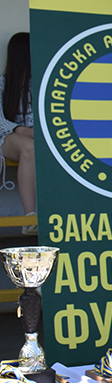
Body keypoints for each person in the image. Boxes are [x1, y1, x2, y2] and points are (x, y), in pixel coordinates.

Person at [1, 32, 35, 235]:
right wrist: (22, 130)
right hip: (8, 138)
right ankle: (30, 218)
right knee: (29, 147)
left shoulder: (44, 84)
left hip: (39, 138)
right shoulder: (3, 83)